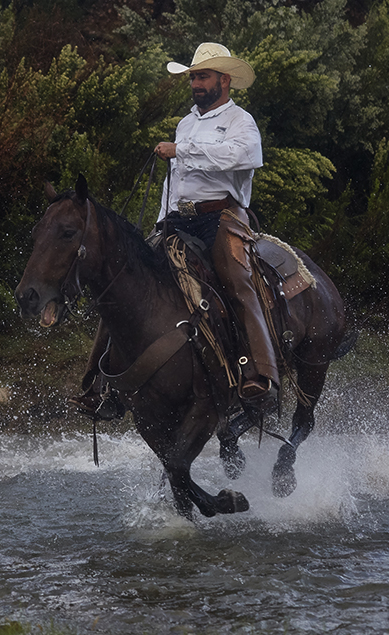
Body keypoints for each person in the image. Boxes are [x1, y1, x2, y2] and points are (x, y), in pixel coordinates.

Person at [72, 42, 278, 418]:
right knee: (124, 279)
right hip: (177, 219)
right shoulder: (185, 124)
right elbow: (175, 183)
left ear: (224, 80)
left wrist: (182, 151)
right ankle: (99, 387)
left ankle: (260, 373)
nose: (196, 84)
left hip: (222, 217)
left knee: (237, 282)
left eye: (202, 77)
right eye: (193, 77)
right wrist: (159, 222)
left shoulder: (240, 121)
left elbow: (245, 156)